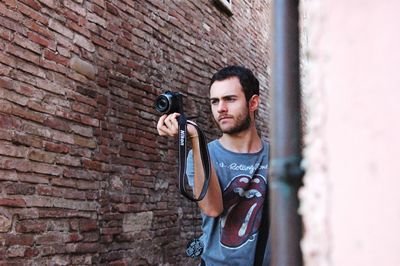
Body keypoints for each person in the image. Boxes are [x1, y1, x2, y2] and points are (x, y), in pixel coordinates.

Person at [157, 65, 270, 266]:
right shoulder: (202, 155)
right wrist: (194, 138)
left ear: (253, 102)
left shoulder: (276, 157)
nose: (221, 109)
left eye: (230, 99)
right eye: (215, 101)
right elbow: (212, 208)